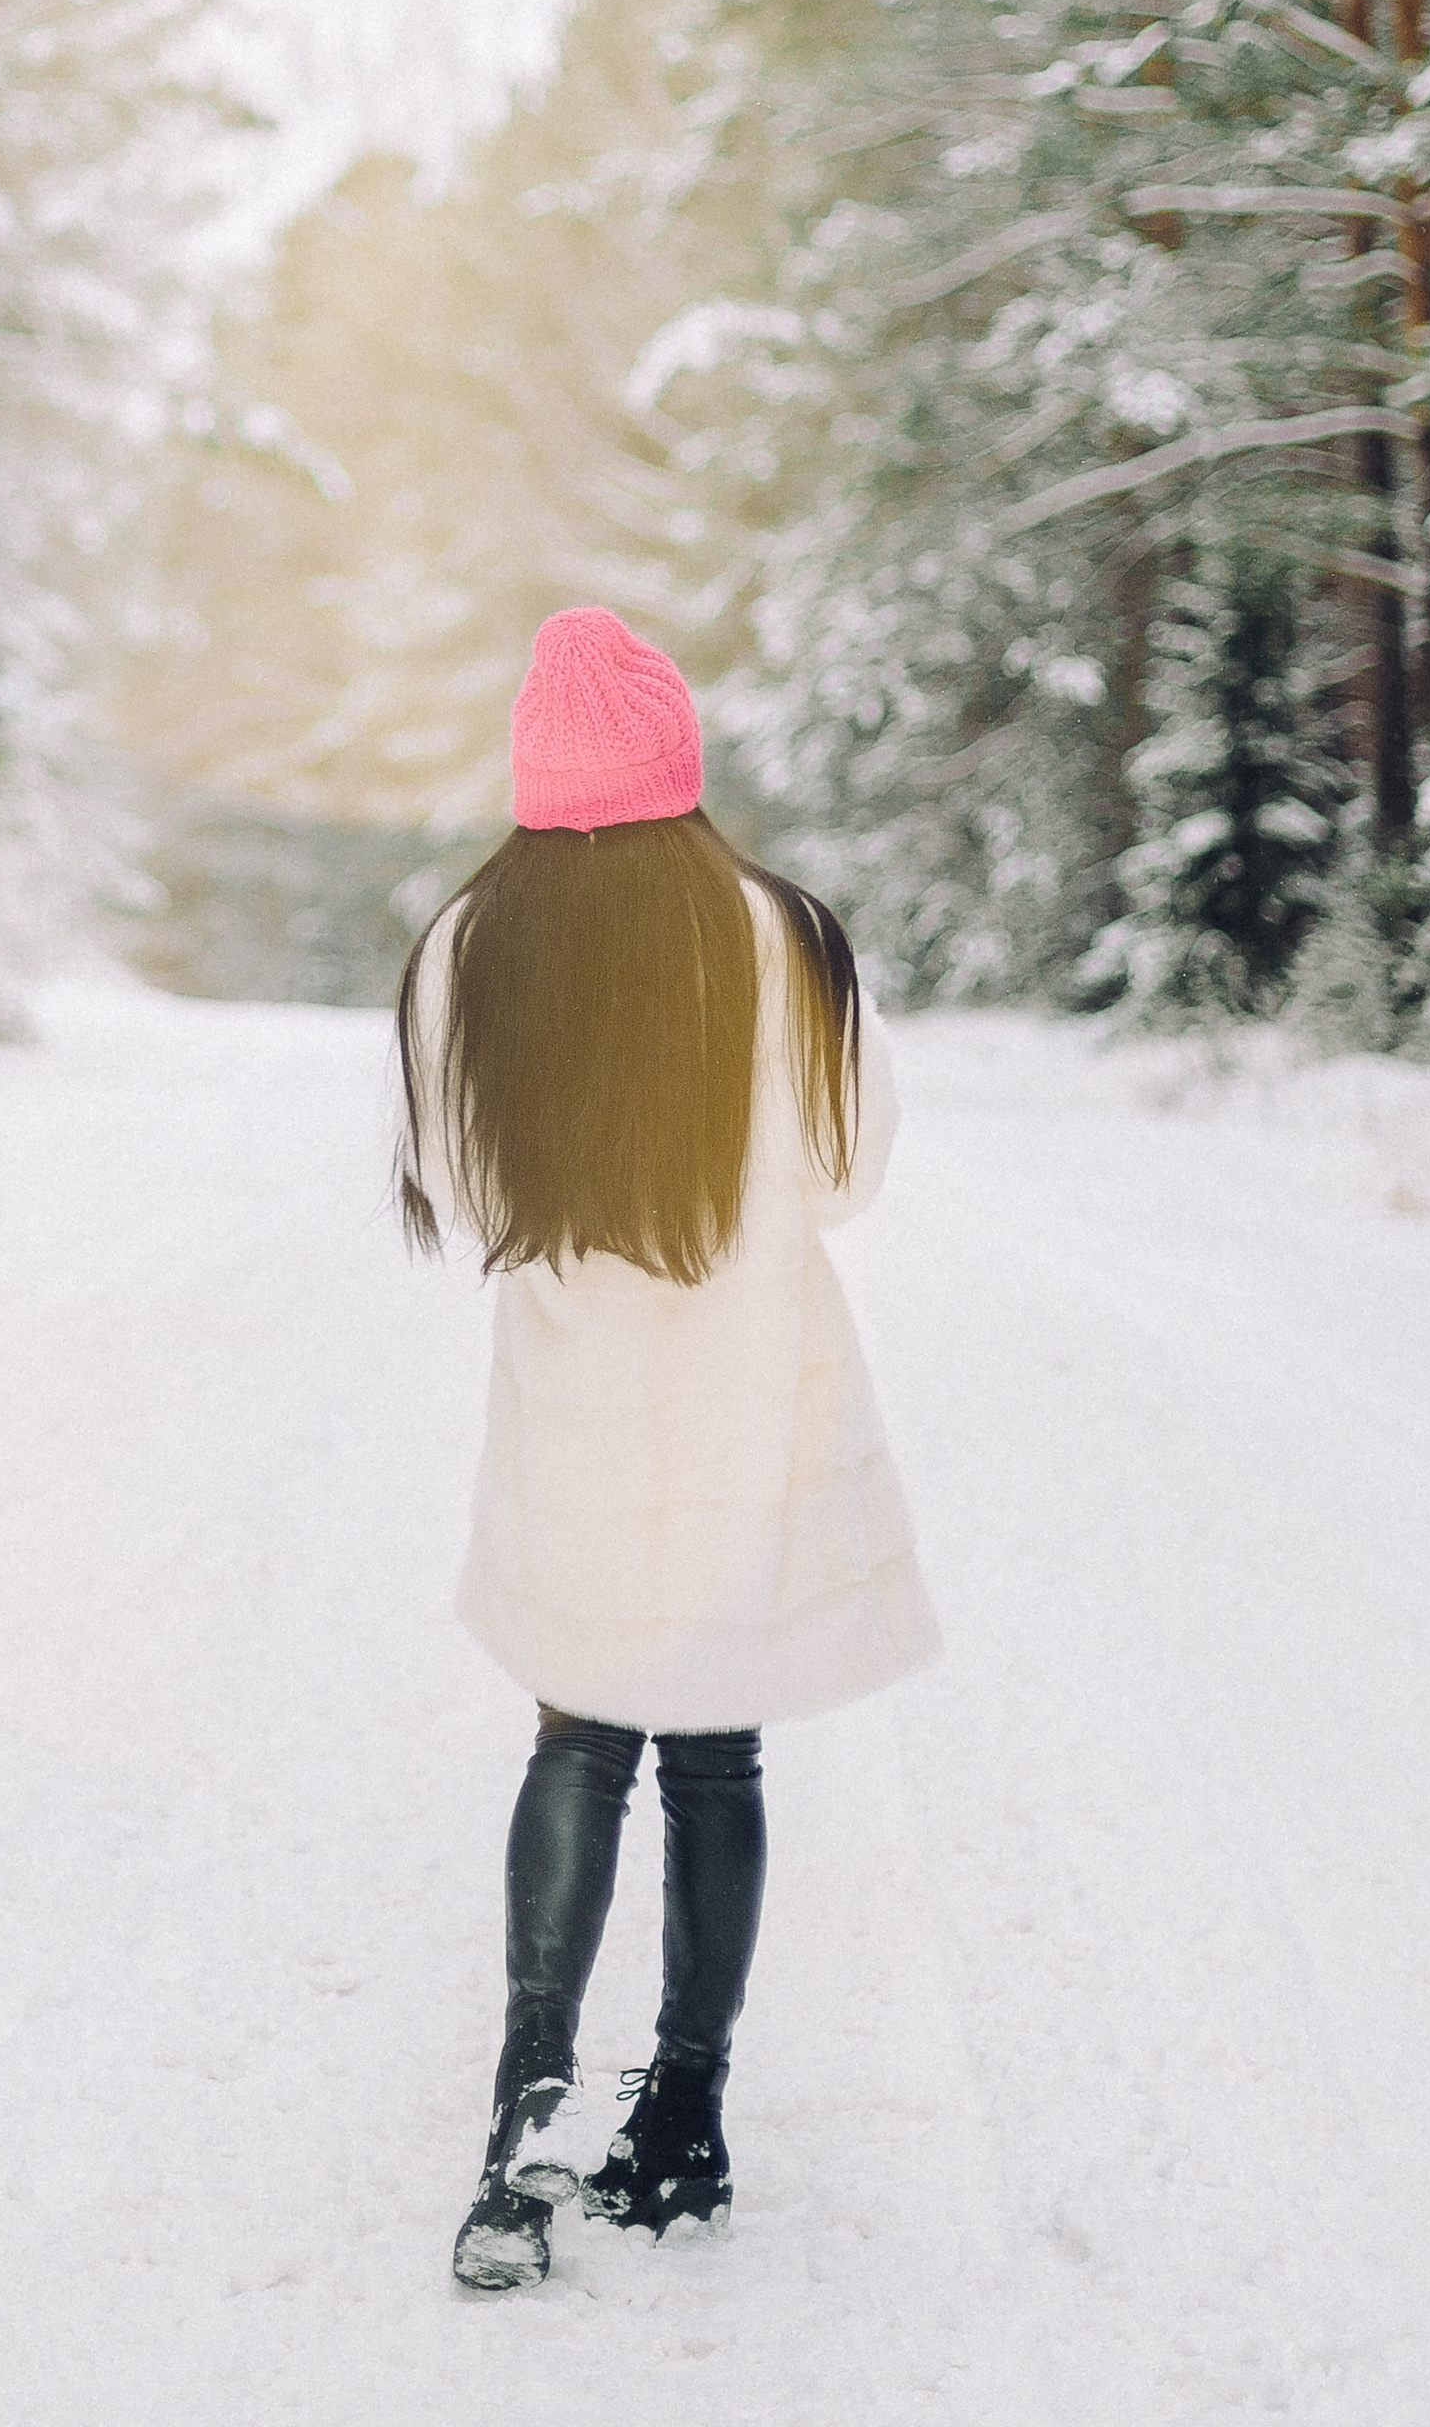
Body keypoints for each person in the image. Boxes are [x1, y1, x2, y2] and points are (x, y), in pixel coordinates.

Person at [395, 605, 938, 2294]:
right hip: (754, 1406)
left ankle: (523, 2120)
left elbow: (471, 1198)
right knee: (715, 1757)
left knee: (577, 1736)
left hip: (578, 1419)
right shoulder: (787, 941)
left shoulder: (467, 951)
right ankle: (685, 2119)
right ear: (678, 768)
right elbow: (848, 1179)